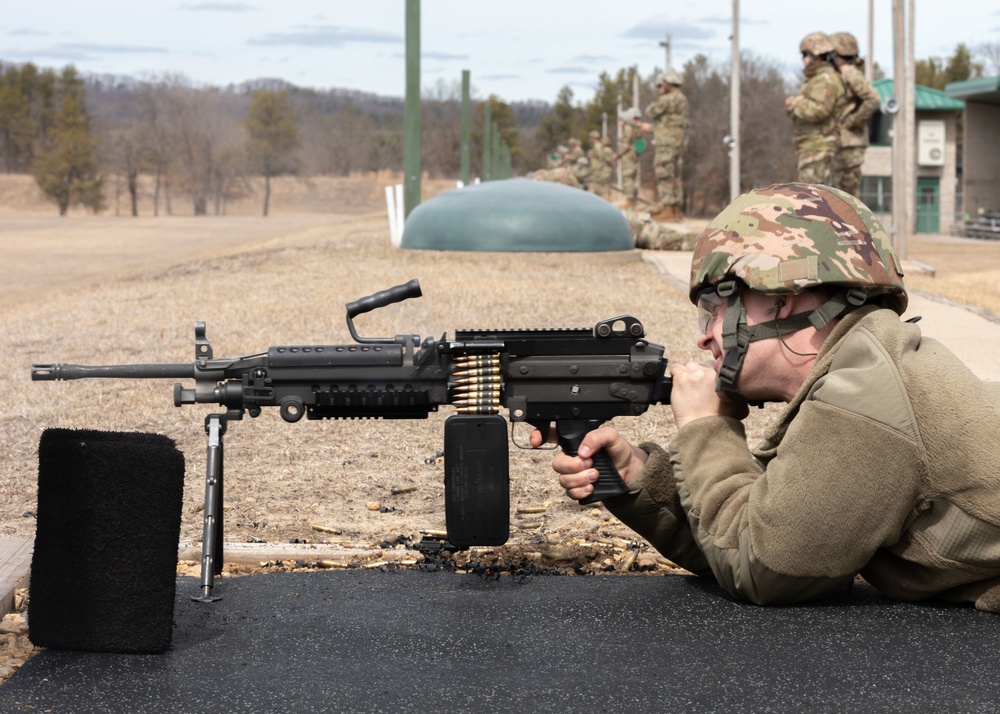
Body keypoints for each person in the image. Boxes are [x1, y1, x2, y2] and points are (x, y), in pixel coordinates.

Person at [533, 182, 1000, 613]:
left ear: (784, 301)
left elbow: (766, 567)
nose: (705, 338)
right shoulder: (860, 370)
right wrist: (640, 477)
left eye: (715, 309)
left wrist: (705, 428)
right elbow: (753, 529)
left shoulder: (866, 399)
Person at [785, 33, 847, 184]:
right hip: (812, 146)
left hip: (818, 147)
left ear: (816, 55)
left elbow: (819, 110)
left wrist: (795, 103)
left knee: (811, 198)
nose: (803, 59)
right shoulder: (818, 79)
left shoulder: (825, 80)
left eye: (805, 54)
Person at [830, 31, 881, 197]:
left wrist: (852, 121)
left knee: (847, 195)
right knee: (838, 193)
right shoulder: (842, 76)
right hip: (843, 141)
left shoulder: (850, 74)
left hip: (850, 143)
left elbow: (872, 99)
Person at [641, 70, 688, 221]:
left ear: (668, 83)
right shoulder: (682, 99)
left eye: (662, 84)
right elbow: (670, 122)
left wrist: (662, 94)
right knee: (674, 174)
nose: (660, 87)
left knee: (664, 173)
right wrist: (654, 128)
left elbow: (651, 111)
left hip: (667, 143)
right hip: (676, 140)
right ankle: (675, 211)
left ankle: (668, 208)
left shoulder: (668, 99)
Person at [615, 107, 643, 209]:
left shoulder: (628, 128)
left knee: (627, 177)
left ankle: (629, 200)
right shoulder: (638, 128)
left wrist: (617, 154)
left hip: (627, 156)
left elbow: (625, 144)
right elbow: (640, 144)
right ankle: (633, 199)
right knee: (633, 178)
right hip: (634, 155)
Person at [587, 130, 615, 200]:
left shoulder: (597, 146)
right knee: (598, 187)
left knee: (601, 187)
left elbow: (601, 157)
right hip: (599, 169)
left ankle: (605, 200)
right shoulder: (598, 145)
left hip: (599, 169)